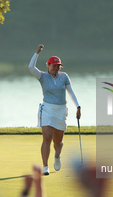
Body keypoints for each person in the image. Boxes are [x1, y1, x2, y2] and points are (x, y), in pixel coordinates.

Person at [29, 44, 81, 175]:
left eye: (58, 66)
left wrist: (78, 106)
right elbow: (31, 67)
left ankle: (57, 156)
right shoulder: (42, 76)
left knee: (58, 143)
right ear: (48, 65)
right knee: (46, 138)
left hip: (61, 110)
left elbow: (71, 92)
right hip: (47, 110)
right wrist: (37, 52)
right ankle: (45, 166)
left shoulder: (64, 77)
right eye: (53, 66)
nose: (56, 68)